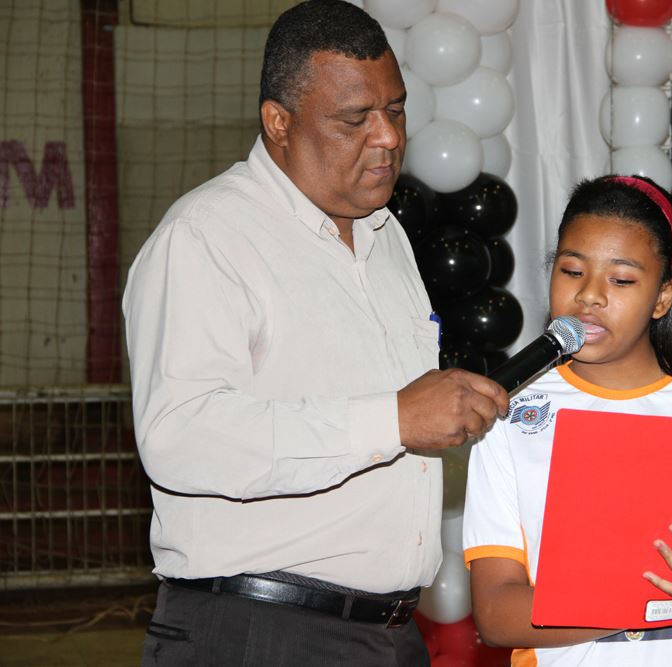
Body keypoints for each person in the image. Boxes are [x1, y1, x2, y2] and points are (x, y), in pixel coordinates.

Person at [122, 2, 508, 665]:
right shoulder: (207, 239)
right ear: (279, 122)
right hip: (259, 633)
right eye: (355, 119)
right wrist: (391, 419)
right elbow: (180, 436)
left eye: (397, 110)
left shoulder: (388, 239)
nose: (387, 137)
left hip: (385, 632)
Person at [462, 175, 672, 665]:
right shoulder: (510, 409)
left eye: (621, 280)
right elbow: (495, 612)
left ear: (663, 296)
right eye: (572, 271)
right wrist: (663, 601)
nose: (591, 296)